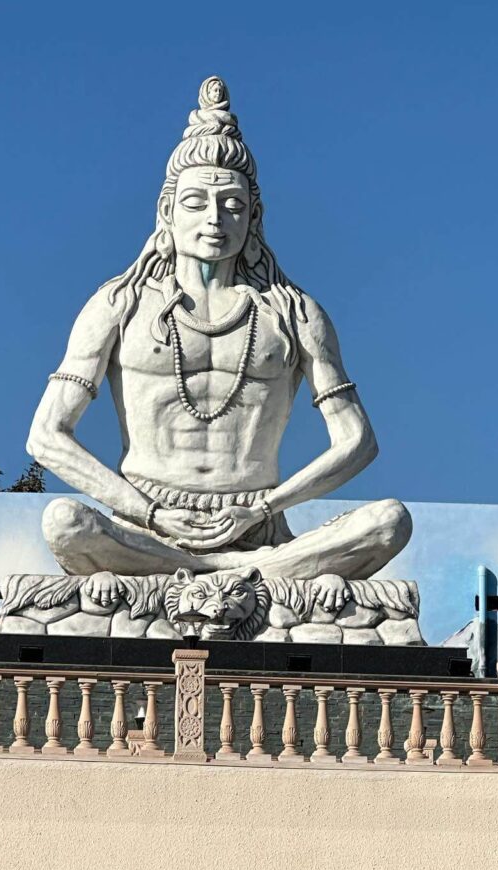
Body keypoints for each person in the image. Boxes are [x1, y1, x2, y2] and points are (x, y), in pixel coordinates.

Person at [27, 76, 411, 590]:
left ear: (254, 216)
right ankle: (245, 578)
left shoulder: (293, 312)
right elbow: (46, 436)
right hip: (148, 524)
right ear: (167, 211)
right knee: (66, 522)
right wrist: (150, 513)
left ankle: (227, 570)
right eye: (196, 202)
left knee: (389, 521)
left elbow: (358, 441)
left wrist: (265, 507)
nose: (215, 219)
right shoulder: (120, 303)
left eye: (232, 204)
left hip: (260, 525)